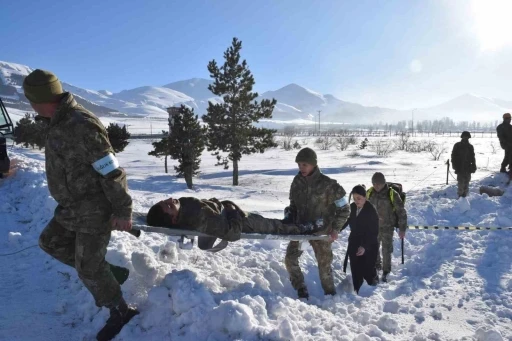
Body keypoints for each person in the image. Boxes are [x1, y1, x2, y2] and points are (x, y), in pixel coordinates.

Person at [23, 69, 138, 341]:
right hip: (72, 208)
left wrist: (123, 211)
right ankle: (107, 275)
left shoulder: (81, 124)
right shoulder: (57, 121)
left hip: (94, 209)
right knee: (50, 242)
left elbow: (112, 171)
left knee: (88, 267)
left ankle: (121, 312)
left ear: (39, 99)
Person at [284, 148, 350, 299]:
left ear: (313, 164)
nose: (301, 168)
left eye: (304, 165)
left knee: (324, 266)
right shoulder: (297, 182)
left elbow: (345, 209)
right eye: (299, 165)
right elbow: (293, 205)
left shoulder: (329, 185)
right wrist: (289, 217)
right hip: (301, 229)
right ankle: (301, 289)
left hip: (321, 232)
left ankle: (330, 295)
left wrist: (335, 229)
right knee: (290, 258)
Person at [145, 196, 322, 247]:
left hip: (226, 212)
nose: (170, 200)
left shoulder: (185, 208)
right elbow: (233, 233)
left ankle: (290, 222)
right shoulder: (197, 217)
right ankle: (304, 228)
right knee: (273, 227)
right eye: (168, 206)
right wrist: (233, 212)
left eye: (165, 201)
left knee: (273, 223)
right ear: (174, 219)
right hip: (241, 221)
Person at [366, 172, 407, 283]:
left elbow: (401, 212)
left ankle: (386, 271)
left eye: (379, 183)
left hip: (388, 227)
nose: (376, 186)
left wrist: (402, 228)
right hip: (373, 227)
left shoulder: (392, 194)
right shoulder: (369, 193)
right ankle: (377, 266)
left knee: (386, 250)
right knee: (374, 248)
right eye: (374, 183)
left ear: (384, 183)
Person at [341, 185, 379, 294]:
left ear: (365, 197)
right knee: (356, 269)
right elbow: (344, 222)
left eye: (359, 198)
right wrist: (335, 231)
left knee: (368, 270)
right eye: (354, 198)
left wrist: (365, 246)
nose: (356, 201)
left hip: (369, 245)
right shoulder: (351, 208)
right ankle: (357, 291)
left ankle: (372, 290)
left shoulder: (371, 211)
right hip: (354, 242)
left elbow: (374, 232)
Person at [451, 131, 476, 198]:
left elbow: (472, 157)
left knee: (466, 184)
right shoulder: (457, 145)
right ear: (462, 137)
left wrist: (474, 166)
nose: (466, 138)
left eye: (467, 137)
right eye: (464, 136)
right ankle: (460, 197)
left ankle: (464, 198)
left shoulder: (470, 147)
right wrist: (455, 166)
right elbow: (453, 156)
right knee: (461, 184)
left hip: (468, 167)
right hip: (460, 167)